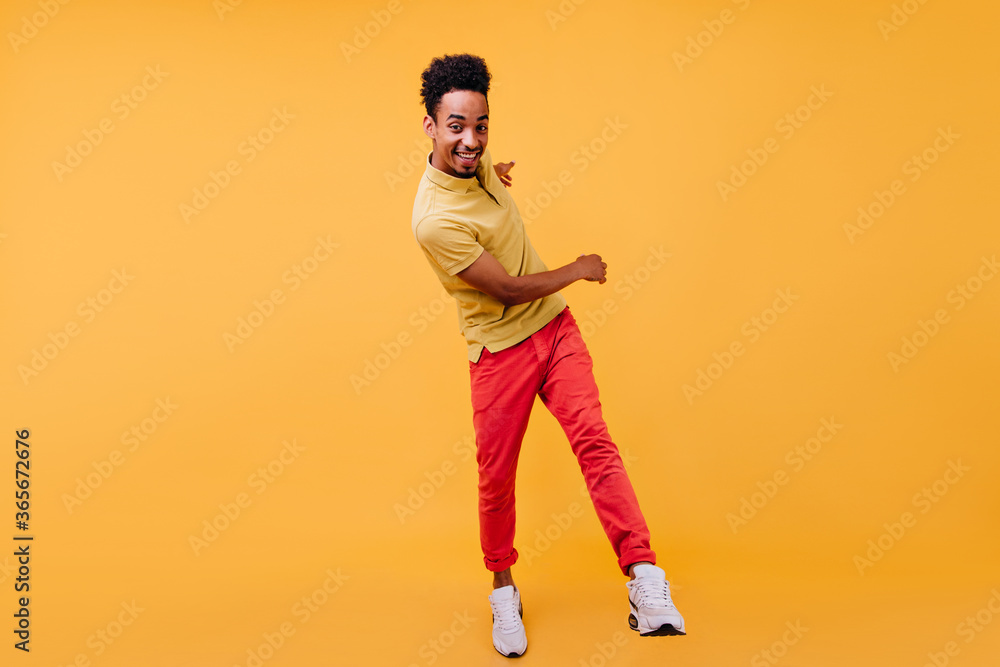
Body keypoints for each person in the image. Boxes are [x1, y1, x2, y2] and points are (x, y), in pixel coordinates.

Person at [410, 53, 685, 658]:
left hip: (555, 333)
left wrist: (492, 171)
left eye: (480, 126)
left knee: (595, 442)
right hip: (500, 351)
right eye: (456, 126)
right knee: (496, 480)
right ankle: (503, 589)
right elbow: (506, 288)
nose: (471, 139)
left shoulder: (476, 165)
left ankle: (644, 576)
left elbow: (477, 175)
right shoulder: (433, 221)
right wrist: (579, 269)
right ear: (429, 126)